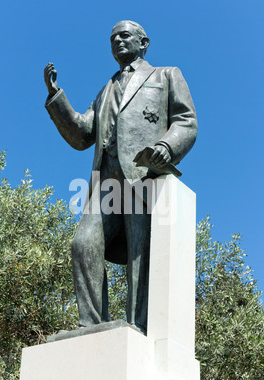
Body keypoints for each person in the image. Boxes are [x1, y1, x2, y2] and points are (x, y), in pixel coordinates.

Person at [44, 20, 197, 334]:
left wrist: (166, 147)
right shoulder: (105, 91)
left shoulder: (166, 76)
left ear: (144, 43)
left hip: (142, 176)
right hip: (107, 182)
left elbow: (187, 121)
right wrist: (56, 96)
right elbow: (82, 134)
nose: (116, 40)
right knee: (83, 243)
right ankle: (90, 324)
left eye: (124, 35)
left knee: (142, 254)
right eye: (112, 38)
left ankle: (138, 326)